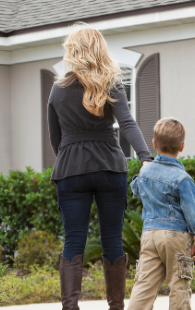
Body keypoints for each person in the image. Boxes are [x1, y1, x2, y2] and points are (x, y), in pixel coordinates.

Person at [47, 24, 153, 310]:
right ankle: (116, 306)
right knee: (112, 239)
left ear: (72, 50)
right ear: (100, 49)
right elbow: (127, 123)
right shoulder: (112, 84)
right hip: (110, 165)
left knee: (74, 240)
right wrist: (145, 156)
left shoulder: (58, 89)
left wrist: (72, 158)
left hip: (71, 169)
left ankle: (70, 307)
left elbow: (55, 138)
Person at [127, 118, 195, 310]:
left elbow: (135, 189)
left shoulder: (145, 172)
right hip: (175, 236)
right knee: (179, 284)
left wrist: (146, 169)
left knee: (144, 285)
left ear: (154, 144)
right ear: (182, 146)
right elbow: (193, 210)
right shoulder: (182, 178)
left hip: (150, 236)